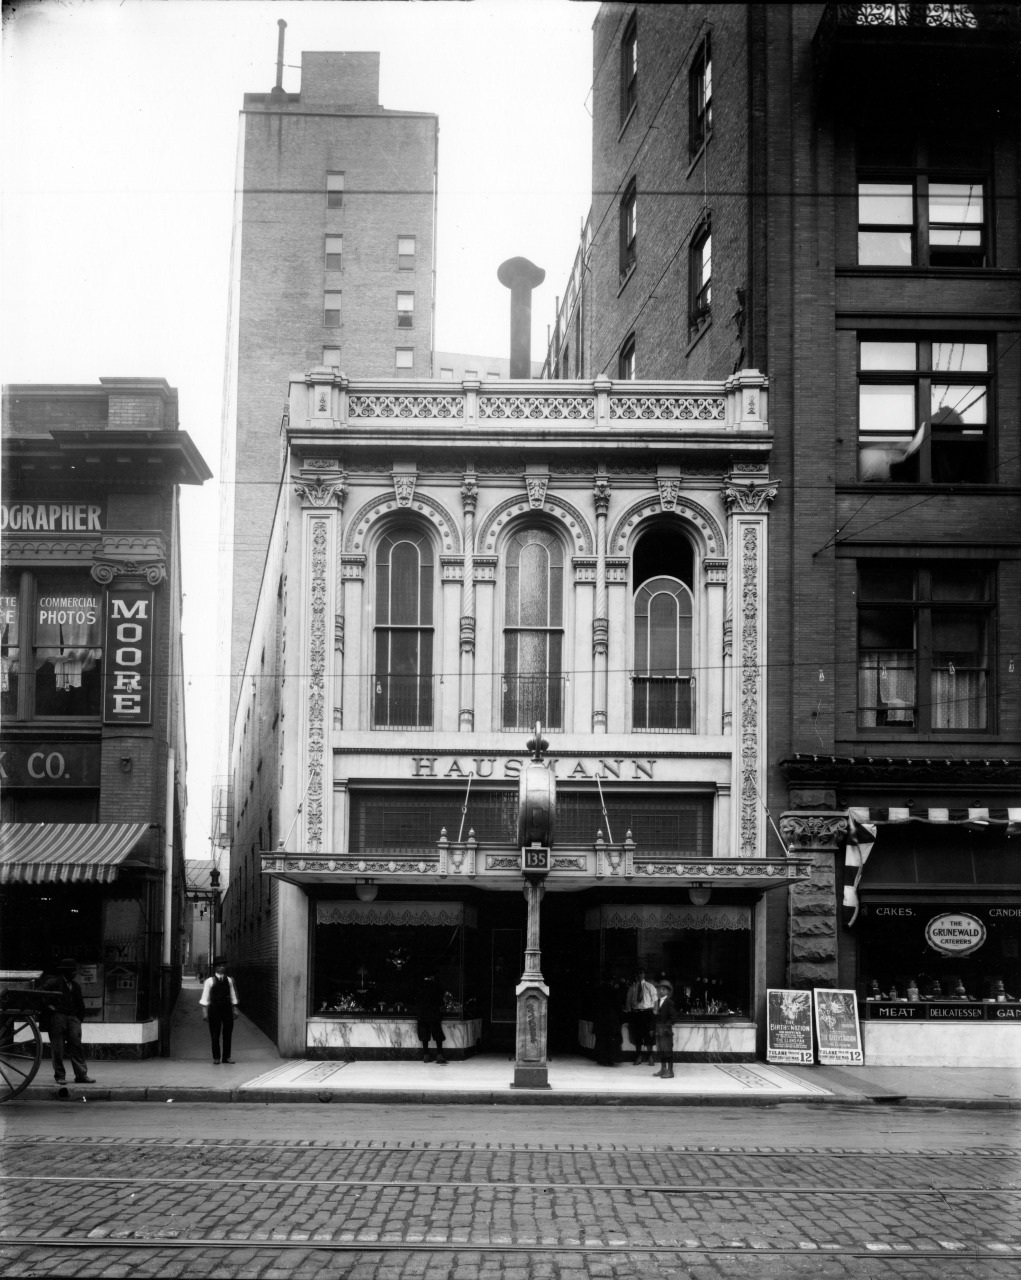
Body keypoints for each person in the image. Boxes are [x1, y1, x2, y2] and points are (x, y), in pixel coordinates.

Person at [40, 958, 95, 1085]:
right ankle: (60, 1076)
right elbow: (40, 994)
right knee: (58, 1048)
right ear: (65, 971)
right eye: (72, 970)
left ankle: (81, 1075)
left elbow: (80, 1004)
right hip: (58, 1017)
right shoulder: (53, 983)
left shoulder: (76, 986)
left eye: (75, 970)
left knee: (77, 1046)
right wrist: (50, 1007)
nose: (75, 973)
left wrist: (78, 1019)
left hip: (73, 1018)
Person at [199, 956, 239, 1064]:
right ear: (215, 968)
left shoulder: (229, 980)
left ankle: (227, 1057)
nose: (222, 968)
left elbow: (232, 994)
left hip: (226, 1009)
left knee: (227, 1034)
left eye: (223, 966)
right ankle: (216, 1057)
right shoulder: (209, 981)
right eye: (219, 966)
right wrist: (204, 1012)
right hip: (214, 1010)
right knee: (215, 1033)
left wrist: (234, 1009)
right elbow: (205, 996)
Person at [623, 967, 657, 1065]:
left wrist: (654, 1015)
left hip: (647, 1014)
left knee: (649, 1036)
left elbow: (655, 1002)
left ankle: (650, 1056)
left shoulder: (650, 987)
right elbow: (628, 1002)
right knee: (637, 1036)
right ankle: (639, 1056)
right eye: (637, 973)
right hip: (636, 1014)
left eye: (641, 973)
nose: (639, 975)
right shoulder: (632, 987)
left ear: (644, 975)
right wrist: (629, 1012)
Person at [414, 972, 447, 1063]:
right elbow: (441, 1001)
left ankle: (426, 1055)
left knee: (424, 1035)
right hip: (434, 1014)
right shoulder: (435, 986)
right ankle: (439, 1055)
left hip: (422, 1015)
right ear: (431, 977)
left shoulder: (419, 986)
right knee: (437, 1035)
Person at [653, 978, 677, 1080]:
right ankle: (663, 1069)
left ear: (668, 991)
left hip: (666, 1032)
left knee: (668, 1051)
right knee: (661, 1051)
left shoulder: (669, 1003)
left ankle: (670, 1071)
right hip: (658, 1031)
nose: (661, 991)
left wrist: (666, 1027)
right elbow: (654, 1017)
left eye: (663, 989)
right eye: (659, 989)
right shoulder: (656, 1002)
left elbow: (673, 1018)